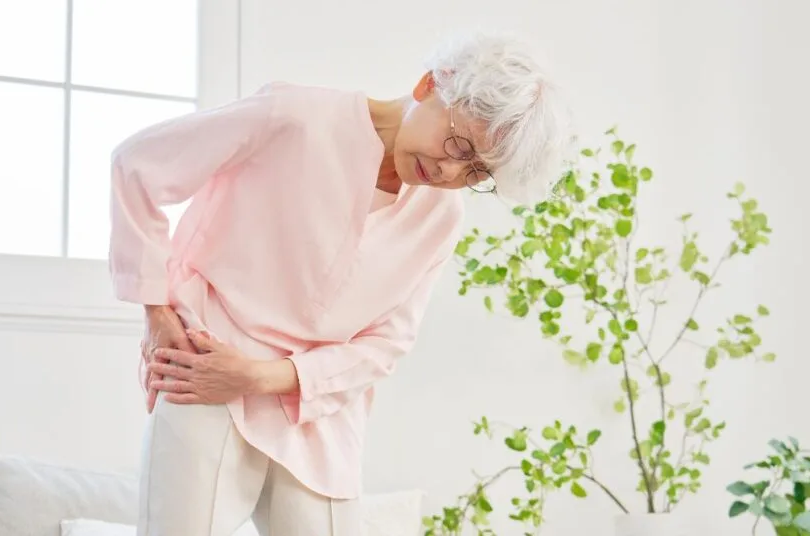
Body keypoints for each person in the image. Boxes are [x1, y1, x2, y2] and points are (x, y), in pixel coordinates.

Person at [108, 30, 571, 536]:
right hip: (205, 365)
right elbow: (138, 165)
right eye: (459, 143)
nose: (450, 170)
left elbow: (386, 343)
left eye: (477, 170)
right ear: (431, 85)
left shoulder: (441, 217)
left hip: (318, 410)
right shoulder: (292, 116)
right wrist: (155, 313)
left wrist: (263, 377)